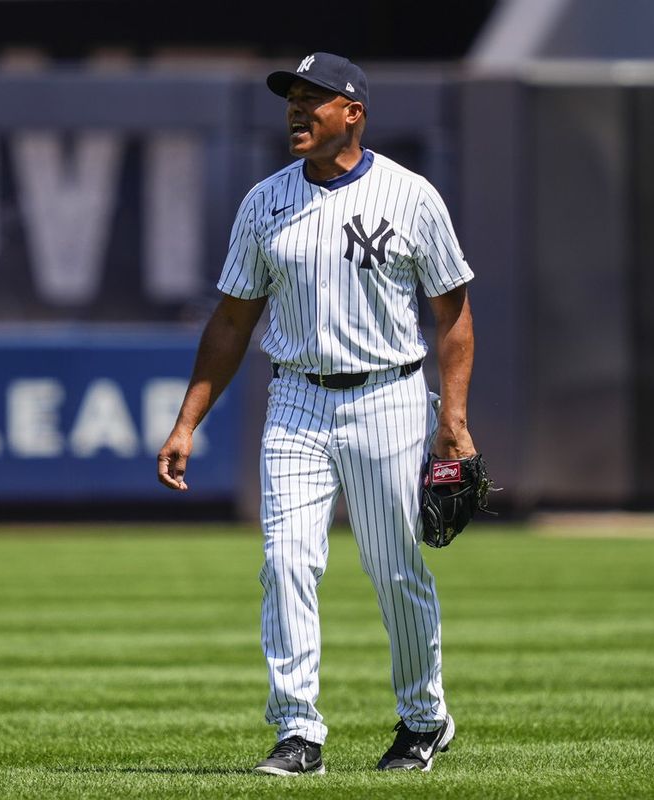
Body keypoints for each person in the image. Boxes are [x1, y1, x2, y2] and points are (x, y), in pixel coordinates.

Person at [157, 51, 477, 775]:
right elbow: (233, 323)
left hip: (389, 393)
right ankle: (298, 732)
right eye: (292, 99)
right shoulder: (264, 201)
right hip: (297, 396)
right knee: (286, 561)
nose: (298, 111)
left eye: (316, 99)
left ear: (353, 112)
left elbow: (453, 315)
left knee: (394, 567)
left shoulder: (411, 195)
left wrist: (453, 422)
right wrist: (187, 422)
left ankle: (424, 719)